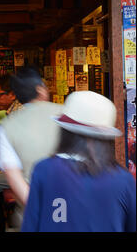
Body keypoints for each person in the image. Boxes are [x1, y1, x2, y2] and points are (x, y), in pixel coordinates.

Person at [22, 91, 136, 232]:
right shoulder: (123, 179)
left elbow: (30, 226)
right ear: (106, 139)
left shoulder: (44, 170)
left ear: (65, 131)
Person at [0, 66, 63, 228]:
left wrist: (36, 206)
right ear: (40, 89)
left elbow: (13, 175)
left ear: (17, 96)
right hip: (69, 201)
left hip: (30, 209)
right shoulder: (65, 114)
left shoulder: (7, 125)